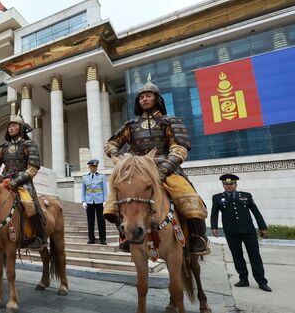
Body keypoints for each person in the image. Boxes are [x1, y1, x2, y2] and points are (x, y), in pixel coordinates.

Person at [103, 75, 209, 255]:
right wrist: (120, 161)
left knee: (189, 198)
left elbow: (180, 147)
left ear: (157, 99)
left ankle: (197, 238)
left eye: (148, 95)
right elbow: (110, 144)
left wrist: (163, 169)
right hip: (137, 171)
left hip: (166, 168)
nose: (144, 99)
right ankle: (127, 234)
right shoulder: (131, 125)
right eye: (141, 97)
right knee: (112, 203)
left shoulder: (170, 121)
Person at [0, 113, 44, 250]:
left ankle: (39, 237)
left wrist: (17, 181)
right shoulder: (3, 146)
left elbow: (33, 168)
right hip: (4, 180)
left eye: (14, 125)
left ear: (21, 128)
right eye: (9, 126)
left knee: (29, 204)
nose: (10, 128)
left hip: (22, 183)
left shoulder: (29, 144)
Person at [211, 174, 271, 292]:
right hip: (231, 232)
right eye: (226, 184)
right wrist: (214, 227)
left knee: (255, 256)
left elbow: (256, 213)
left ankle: (261, 281)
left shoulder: (246, 196)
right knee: (237, 256)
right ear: (223, 185)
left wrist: (263, 227)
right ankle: (243, 279)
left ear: (236, 184)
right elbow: (214, 213)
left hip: (248, 231)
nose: (229, 186)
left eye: (231, 184)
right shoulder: (217, 198)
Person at [82, 159, 108, 245]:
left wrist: (105, 200)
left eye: (96, 166)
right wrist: (83, 201)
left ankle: (103, 239)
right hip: (89, 202)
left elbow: (105, 189)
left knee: (101, 221)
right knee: (90, 221)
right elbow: (83, 190)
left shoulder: (101, 176)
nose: (94, 168)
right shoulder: (85, 177)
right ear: (89, 167)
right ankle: (91, 238)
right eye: (93, 166)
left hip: (99, 201)